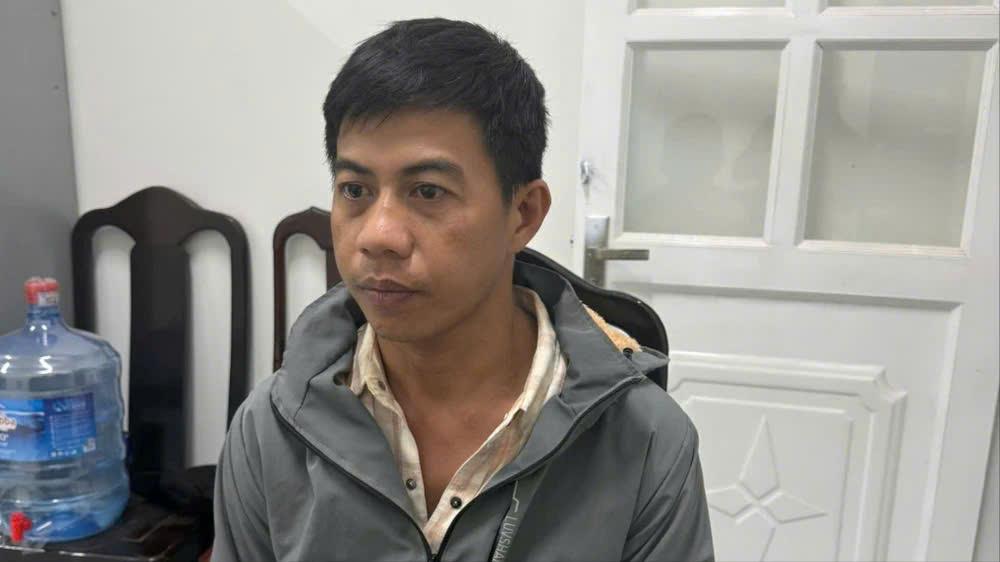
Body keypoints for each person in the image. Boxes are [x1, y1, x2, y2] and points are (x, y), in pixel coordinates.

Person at [211, 17, 714, 562]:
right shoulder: (271, 429)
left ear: (523, 213)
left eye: (428, 191)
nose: (378, 236)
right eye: (354, 190)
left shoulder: (645, 443)